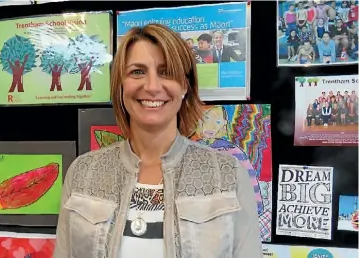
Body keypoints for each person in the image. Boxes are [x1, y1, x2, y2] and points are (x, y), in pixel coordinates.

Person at [53, 24, 262, 258]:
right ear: (120, 85)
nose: (152, 86)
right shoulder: (83, 173)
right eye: (137, 72)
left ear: (184, 86)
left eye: (166, 72)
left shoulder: (228, 175)